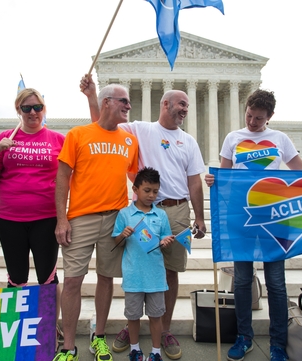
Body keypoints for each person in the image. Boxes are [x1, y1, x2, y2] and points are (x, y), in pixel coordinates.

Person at [81, 75, 206, 360]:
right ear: (165, 104)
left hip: (175, 209)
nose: (185, 109)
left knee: (171, 271)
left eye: (187, 105)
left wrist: (198, 216)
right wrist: (91, 96)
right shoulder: (141, 129)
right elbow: (104, 124)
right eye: (181, 104)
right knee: (136, 265)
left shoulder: (188, 141)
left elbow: (194, 181)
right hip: (142, 208)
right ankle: (131, 324)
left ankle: (165, 330)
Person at [204, 89, 302, 361]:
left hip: (275, 216)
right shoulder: (233, 138)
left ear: (270, 117)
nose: (252, 122)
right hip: (242, 215)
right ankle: (244, 336)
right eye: (249, 116)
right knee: (241, 280)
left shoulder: (280, 139)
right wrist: (215, 182)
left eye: (259, 119)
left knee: (276, 282)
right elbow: (225, 176)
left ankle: (277, 343)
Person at [53, 84, 139, 361]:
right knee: (73, 281)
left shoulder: (129, 140)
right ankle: (68, 346)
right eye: (123, 101)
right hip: (81, 218)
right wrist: (62, 219)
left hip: (115, 218)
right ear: (106, 103)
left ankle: (99, 336)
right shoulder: (78, 134)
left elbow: (136, 180)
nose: (128, 105)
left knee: (106, 278)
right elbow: (62, 177)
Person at [0, 88, 65, 343]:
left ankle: (50, 325)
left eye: (37, 107)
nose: (32, 112)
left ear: (44, 109)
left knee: (47, 276)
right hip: (11, 218)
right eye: (26, 108)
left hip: (46, 217)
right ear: (18, 111)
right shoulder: (5, 138)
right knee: (16, 276)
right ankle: (14, 328)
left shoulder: (58, 140)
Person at [113, 167, 175, 361]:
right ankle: (134, 349)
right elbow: (116, 241)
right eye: (147, 190)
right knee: (132, 316)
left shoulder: (161, 215)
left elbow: (166, 234)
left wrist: (166, 241)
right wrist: (122, 235)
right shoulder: (124, 214)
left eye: (155, 191)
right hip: (133, 275)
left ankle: (155, 352)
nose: (151, 195)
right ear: (135, 189)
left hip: (156, 276)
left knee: (156, 316)